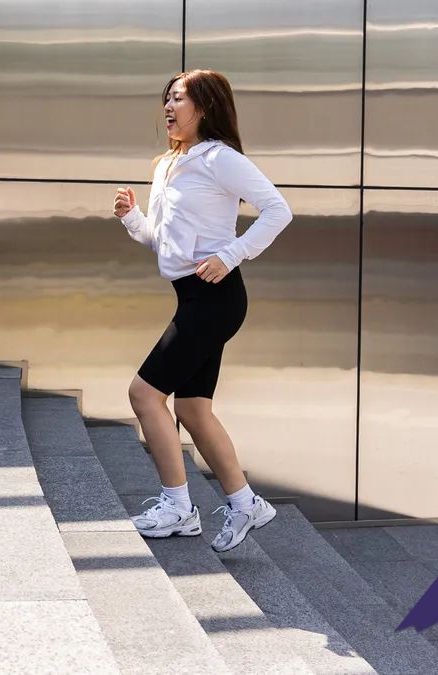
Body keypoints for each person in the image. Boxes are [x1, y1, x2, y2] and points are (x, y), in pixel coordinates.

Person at [111, 69, 293, 553]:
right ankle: (245, 503)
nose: (169, 107)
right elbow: (166, 243)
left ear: (205, 108)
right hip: (190, 294)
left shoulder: (220, 159)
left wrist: (231, 254)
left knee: (144, 394)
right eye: (167, 98)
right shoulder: (169, 165)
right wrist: (133, 218)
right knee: (191, 406)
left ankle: (178, 508)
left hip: (217, 297)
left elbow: (278, 210)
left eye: (181, 99)